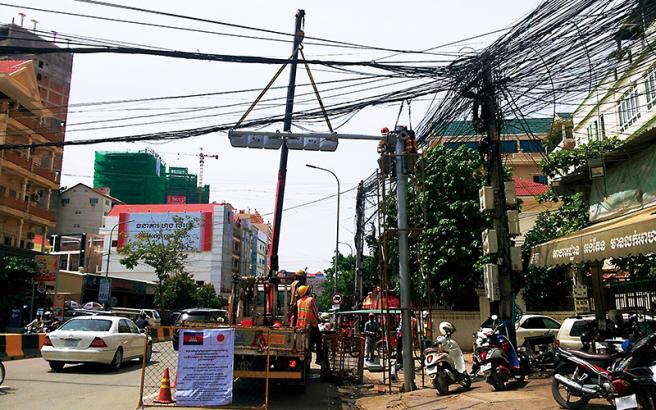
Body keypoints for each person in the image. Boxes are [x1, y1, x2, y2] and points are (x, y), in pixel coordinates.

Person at [296, 285, 324, 365]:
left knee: (307, 342)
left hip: (302, 325)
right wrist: (319, 320)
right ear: (306, 292)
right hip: (312, 324)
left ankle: (310, 348)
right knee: (319, 339)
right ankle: (319, 358)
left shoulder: (298, 301)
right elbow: (315, 312)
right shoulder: (311, 300)